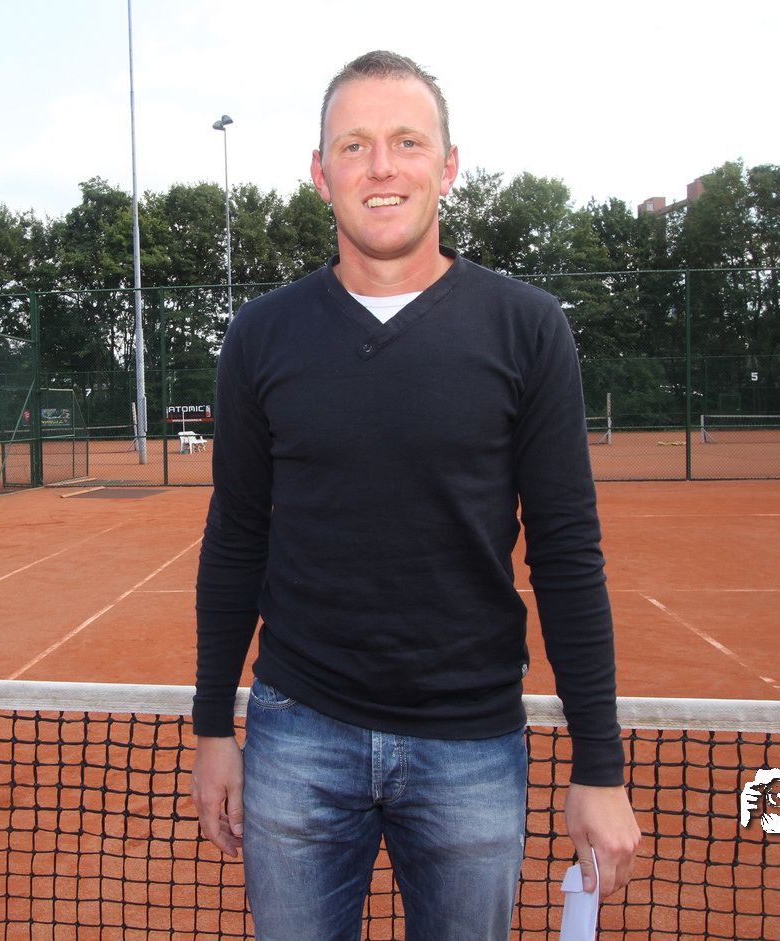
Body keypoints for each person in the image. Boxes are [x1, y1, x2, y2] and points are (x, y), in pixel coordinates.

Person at [190, 51, 640, 939]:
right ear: (319, 173)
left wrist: (599, 764)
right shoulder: (260, 333)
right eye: (353, 145)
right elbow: (236, 534)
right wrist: (213, 728)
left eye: (406, 141)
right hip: (296, 731)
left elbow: (564, 550)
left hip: (471, 742)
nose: (380, 166)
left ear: (448, 163)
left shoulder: (527, 327)